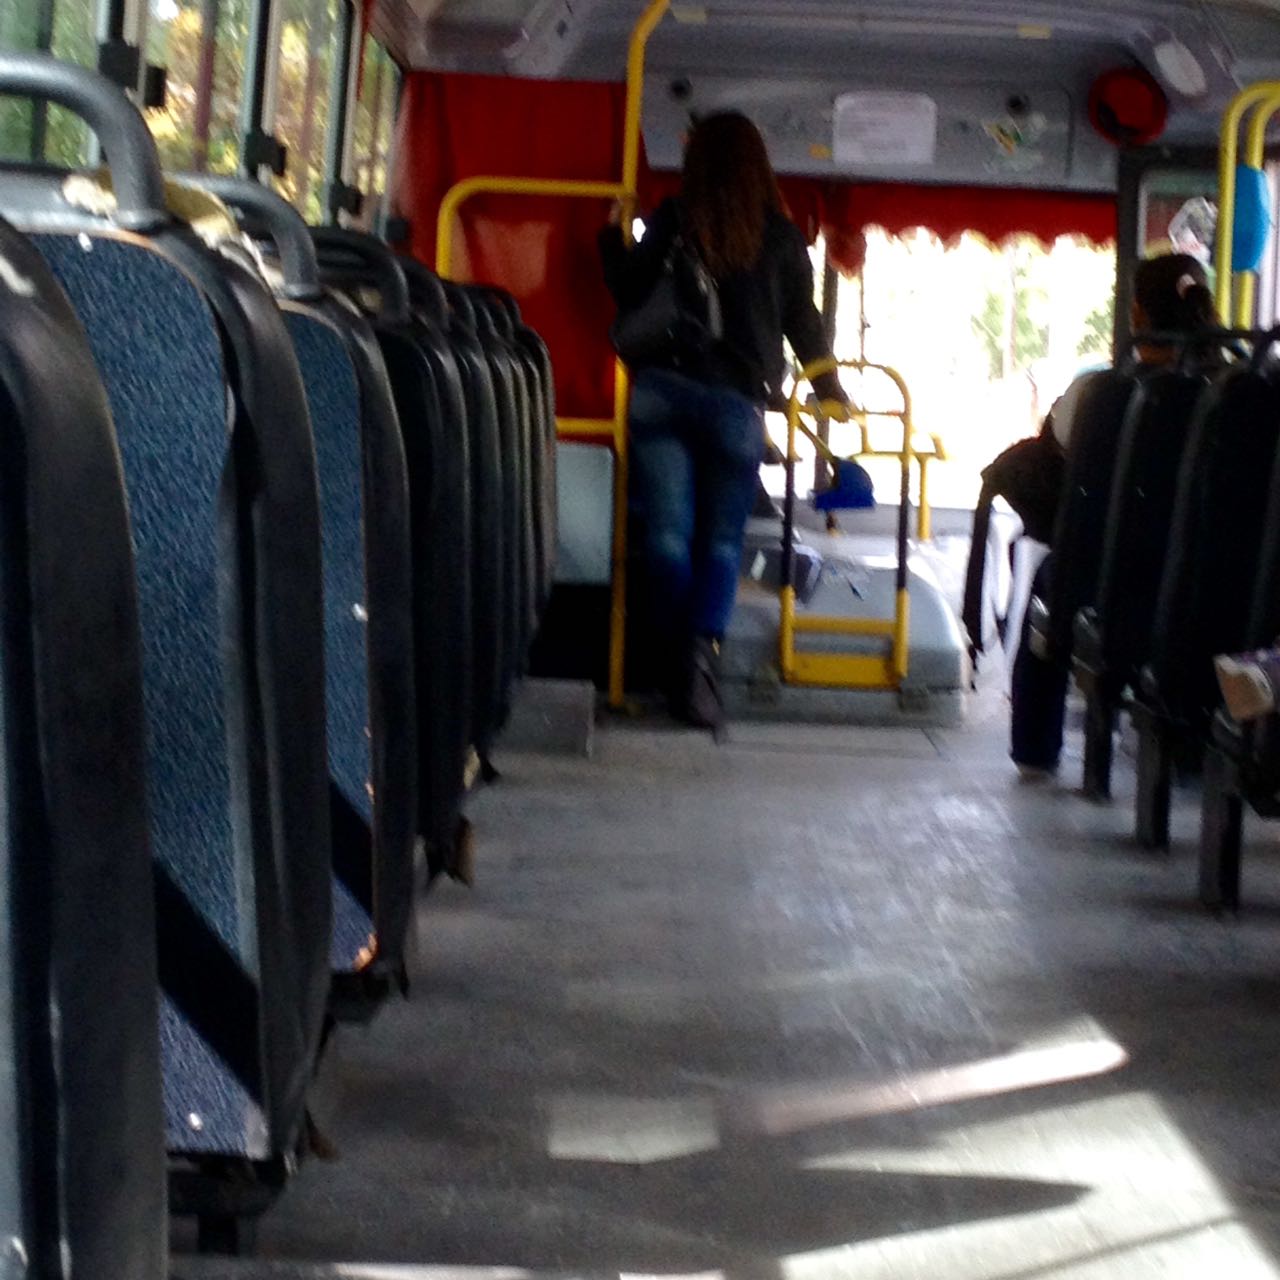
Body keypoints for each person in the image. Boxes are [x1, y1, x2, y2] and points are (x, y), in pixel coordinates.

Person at [599, 112, 847, 730]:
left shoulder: (673, 218)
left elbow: (628, 290)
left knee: (666, 538)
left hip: (662, 392)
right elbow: (803, 322)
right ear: (758, 165)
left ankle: (669, 657)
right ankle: (699, 659)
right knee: (720, 543)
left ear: (697, 162)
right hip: (736, 404)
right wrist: (829, 391)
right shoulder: (781, 238)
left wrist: (610, 233)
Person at [1008, 253, 1221, 777]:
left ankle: (1035, 750)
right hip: (1214, 597)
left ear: (1137, 314)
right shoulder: (1239, 397)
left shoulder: (1101, 394)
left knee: (1049, 577)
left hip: (1111, 592)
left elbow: (1063, 456)